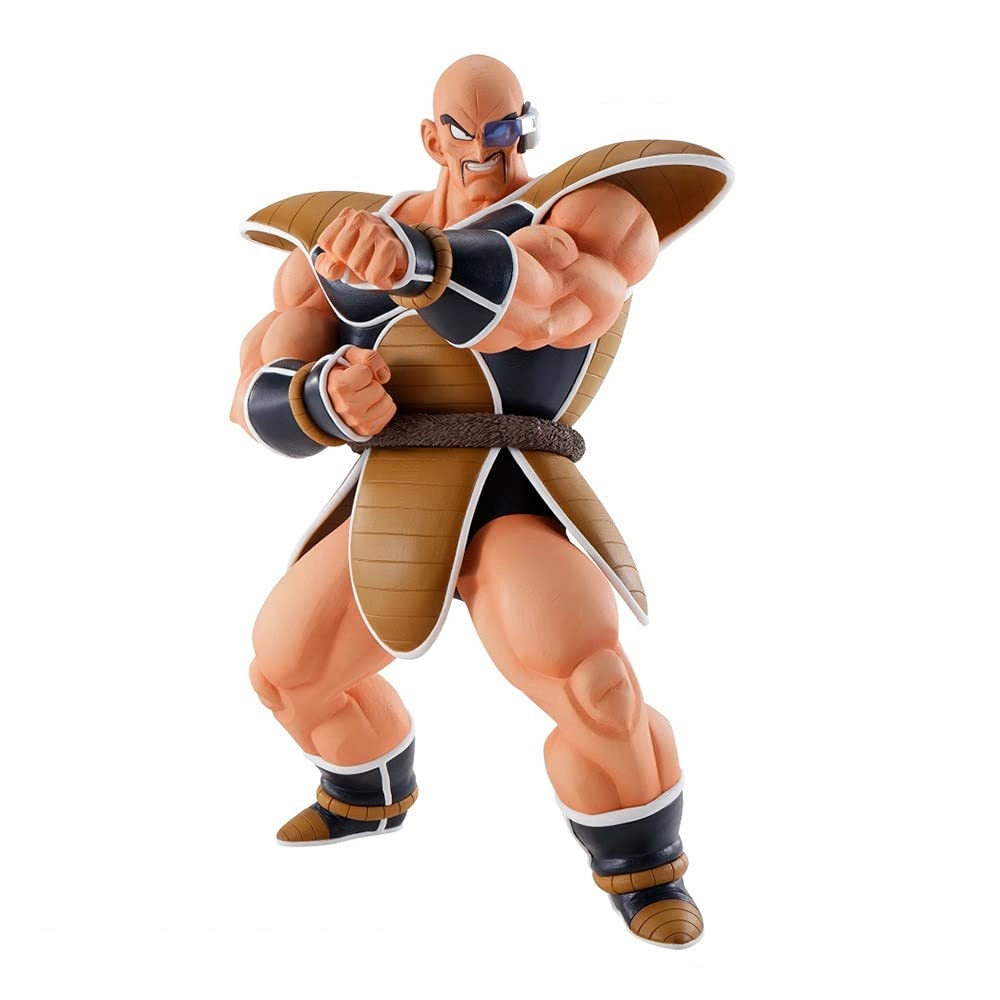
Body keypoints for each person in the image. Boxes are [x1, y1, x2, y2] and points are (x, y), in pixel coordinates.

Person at [232, 53, 731, 947]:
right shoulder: (336, 242)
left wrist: (419, 261)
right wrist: (322, 397)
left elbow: (550, 306)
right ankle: (366, 793)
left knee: (596, 686)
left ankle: (647, 869)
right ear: (433, 139)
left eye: (509, 130)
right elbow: (253, 389)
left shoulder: (584, 212)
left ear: (527, 126)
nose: (493, 150)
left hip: (512, 481)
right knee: (285, 673)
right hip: (394, 488)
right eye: (470, 133)